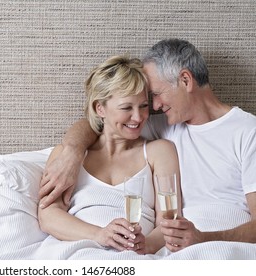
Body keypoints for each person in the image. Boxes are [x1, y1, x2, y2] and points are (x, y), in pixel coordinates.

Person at [39, 38, 256, 252]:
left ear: (185, 80)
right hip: (175, 248)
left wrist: (203, 240)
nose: (153, 107)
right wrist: (72, 151)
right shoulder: (163, 123)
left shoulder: (247, 132)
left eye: (154, 96)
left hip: (216, 245)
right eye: (145, 101)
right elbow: (100, 126)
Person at [38, 54, 182, 255]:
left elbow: (169, 220)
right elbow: (48, 216)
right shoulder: (66, 157)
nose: (138, 117)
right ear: (100, 108)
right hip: (80, 252)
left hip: (136, 257)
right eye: (126, 108)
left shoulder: (159, 152)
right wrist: (100, 234)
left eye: (143, 106)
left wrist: (147, 243)